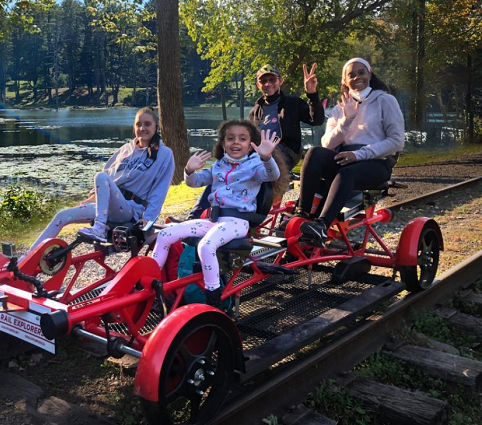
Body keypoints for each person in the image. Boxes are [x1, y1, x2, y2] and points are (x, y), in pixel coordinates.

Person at [151, 120, 280, 307]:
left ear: (251, 143)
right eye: (230, 138)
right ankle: (150, 283)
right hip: (214, 220)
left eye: (242, 139)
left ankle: (213, 297)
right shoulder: (220, 165)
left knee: (205, 246)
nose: (236, 142)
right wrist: (189, 170)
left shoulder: (255, 166)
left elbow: (272, 175)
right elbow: (195, 182)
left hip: (237, 222)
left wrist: (267, 157)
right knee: (165, 234)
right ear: (222, 143)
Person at [24, 107, 174, 255]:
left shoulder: (164, 154)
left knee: (100, 177)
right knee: (62, 215)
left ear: (156, 126)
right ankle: (27, 258)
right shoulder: (125, 150)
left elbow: (160, 190)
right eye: (138, 124)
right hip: (106, 207)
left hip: (129, 210)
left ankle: (100, 228)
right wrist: (91, 198)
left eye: (147, 124)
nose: (142, 128)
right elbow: (107, 176)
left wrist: (149, 218)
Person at [187, 63, 324, 219]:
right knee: (223, 170)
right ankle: (195, 215)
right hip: (256, 156)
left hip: (284, 153)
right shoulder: (255, 111)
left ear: (280, 80)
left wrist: (312, 94)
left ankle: (244, 215)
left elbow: (317, 120)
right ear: (258, 85)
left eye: (272, 79)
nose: (268, 84)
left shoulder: (292, 103)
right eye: (263, 81)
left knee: (258, 160)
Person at [297, 58, 404, 247]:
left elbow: (396, 141)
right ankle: (301, 215)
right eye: (351, 75)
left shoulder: (385, 100)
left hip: (376, 163)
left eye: (361, 72)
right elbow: (327, 145)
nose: (357, 77)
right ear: (344, 81)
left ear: (369, 74)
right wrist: (346, 120)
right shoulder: (339, 108)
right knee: (314, 153)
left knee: (346, 171)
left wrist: (359, 155)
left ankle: (321, 226)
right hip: (344, 158)